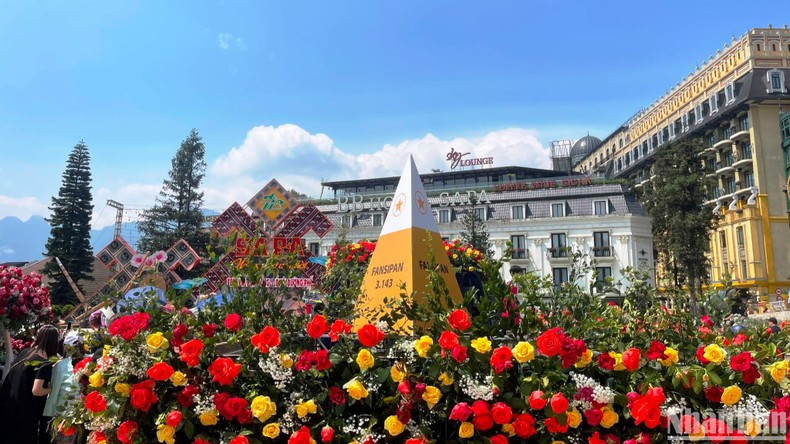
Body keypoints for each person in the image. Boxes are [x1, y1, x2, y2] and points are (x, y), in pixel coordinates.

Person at [0, 325, 60, 443]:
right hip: (24, 410)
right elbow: (36, 390)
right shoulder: (44, 363)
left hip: (10, 402)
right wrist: (52, 389)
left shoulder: (25, 352)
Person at [44, 331, 84, 443]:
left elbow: (54, 392)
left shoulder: (61, 365)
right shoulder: (87, 362)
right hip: (81, 413)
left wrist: (48, 415)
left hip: (64, 414)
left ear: (66, 348)